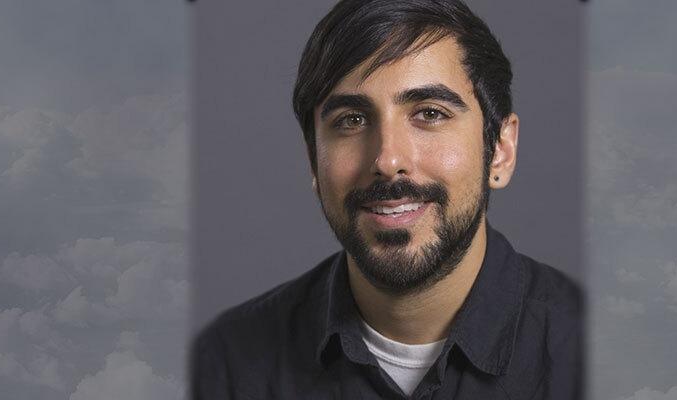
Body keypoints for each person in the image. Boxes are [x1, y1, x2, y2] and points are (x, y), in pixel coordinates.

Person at [190, 0, 584, 398]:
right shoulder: (226, 366)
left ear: (500, 150)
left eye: (429, 114)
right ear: (313, 160)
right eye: (351, 120)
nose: (388, 160)